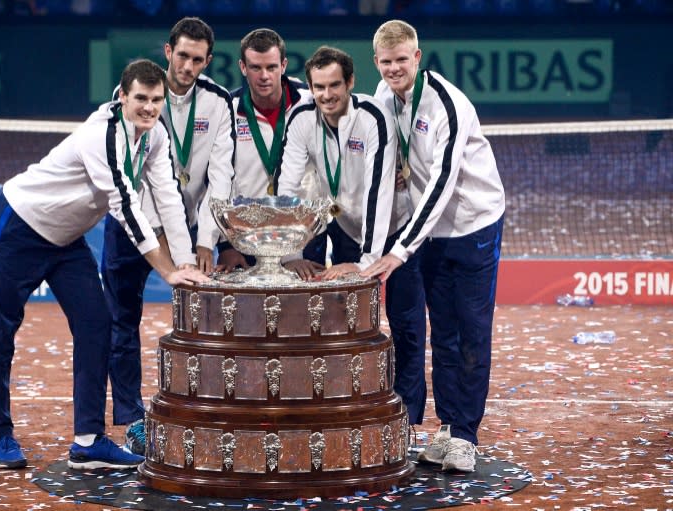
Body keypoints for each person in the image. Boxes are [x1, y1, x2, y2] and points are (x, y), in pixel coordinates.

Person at [0, 58, 209, 471]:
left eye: (156, 100)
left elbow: (169, 197)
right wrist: (166, 270)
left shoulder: (154, 138)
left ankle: (87, 440)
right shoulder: (101, 133)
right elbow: (124, 202)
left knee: (96, 323)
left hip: (66, 241)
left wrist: (186, 262)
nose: (150, 107)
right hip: (18, 225)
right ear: (122, 97)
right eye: (141, 98)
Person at [363, 19, 506, 473]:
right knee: (442, 331)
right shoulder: (384, 98)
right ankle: (448, 426)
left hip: (473, 226)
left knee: (471, 331)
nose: (393, 69)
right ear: (376, 62)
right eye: (386, 62)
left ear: (417, 57)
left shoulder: (447, 104)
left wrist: (399, 250)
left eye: (402, 60)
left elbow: (442, 182)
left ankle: (466, 435)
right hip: (432, 233)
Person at [276, 46, 425, 438]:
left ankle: (407, 420)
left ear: (350, 82)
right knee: (346, 324)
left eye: (335, 85)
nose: (328, 95)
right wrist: (290, 254)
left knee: (406, 324)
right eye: (319, 87)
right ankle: (348, 408)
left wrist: (368, 262)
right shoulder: (300, 118)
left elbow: (379, 191)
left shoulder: (373, 117)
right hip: (343, 225)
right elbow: (288, 187)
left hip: (391, 229)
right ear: (310, 88)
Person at [102, 16, 235, 455]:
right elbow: (127, 181)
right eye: (182, 56)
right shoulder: (137, 99)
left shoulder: (218, 104)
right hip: (130, 225)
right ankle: (131, 420)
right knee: (122, 322)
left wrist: (206, 240)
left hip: (190, 228)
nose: (188, 66)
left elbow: (221, 177)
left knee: (204, 320)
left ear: (208, 61)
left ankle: (205, 411)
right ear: (167, 52)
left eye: (198, 59)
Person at [217, 27, 314, 271]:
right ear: (242, 67)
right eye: (255, 67)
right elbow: (217, 179)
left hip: (305, 236)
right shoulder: (228, 111)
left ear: (283, 65)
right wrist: (225, 246)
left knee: (304, 309)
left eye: (271, 67)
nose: (264, 76)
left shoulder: (312, 102)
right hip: (247, 238)